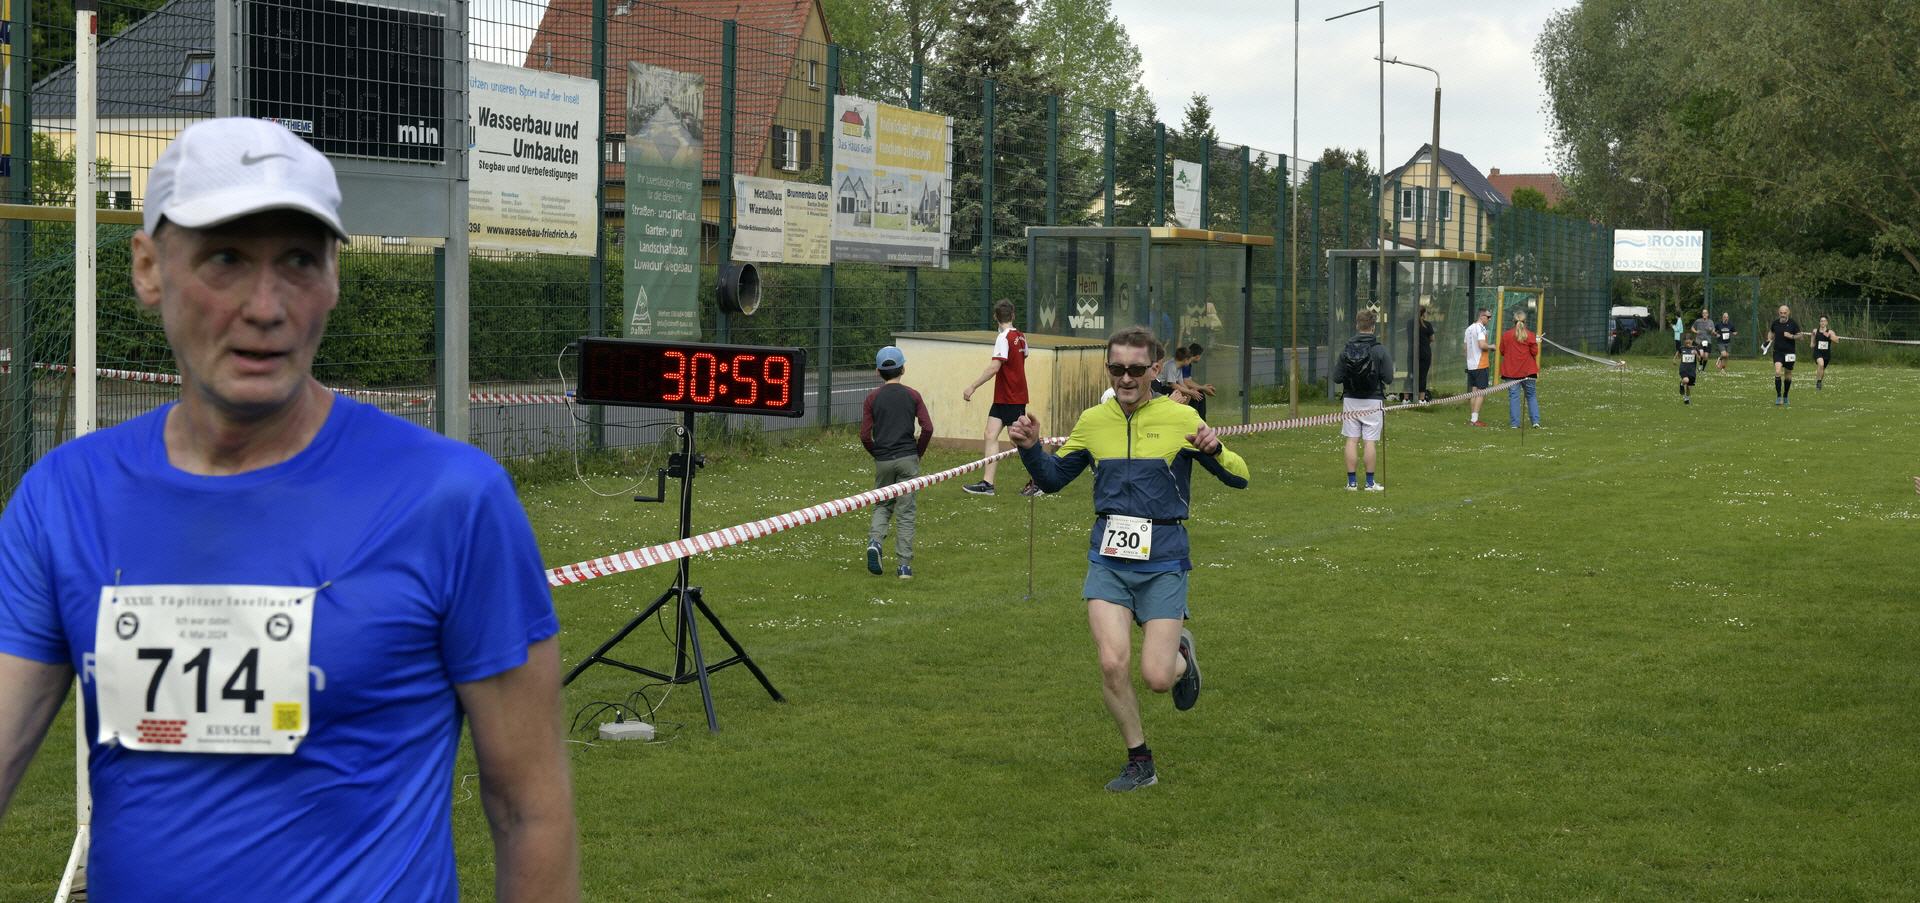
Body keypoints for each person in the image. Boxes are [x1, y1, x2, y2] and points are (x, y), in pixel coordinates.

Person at [0, 119, 577, 900]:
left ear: (335, 277)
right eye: (226, 259)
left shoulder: (452, 501)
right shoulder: (64, 501)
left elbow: (529, 809)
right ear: (147, 268)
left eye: (300, 261)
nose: (266, 306)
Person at [1008, 326, 1249, 793]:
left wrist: (1216, 449)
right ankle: (1140, 761)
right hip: (1109, 560)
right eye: (1116, 368)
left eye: (1136, 369)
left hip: (1164, 560)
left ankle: (1181, 656)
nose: (1125, 378)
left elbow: (1239, 478)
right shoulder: (1093, 421)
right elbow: (1053, 479)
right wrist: (1031, 448)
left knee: (1157, 678)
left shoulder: (1180, 419)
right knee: (1111, 663)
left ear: (1155, 370)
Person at [861, 345, 934, 579]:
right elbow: (927, 428)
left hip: (883, 460)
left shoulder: (872, 398)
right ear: (903, 369)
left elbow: (865, 435)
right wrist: (917, 453)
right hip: (907, 458)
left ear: (877, 371)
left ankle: (875, 542)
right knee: (906, 511)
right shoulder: (913, 395)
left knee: (882, 505)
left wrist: (877, 453)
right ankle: (904, 566)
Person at [961, 298, 1032, 496]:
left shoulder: (1003, 337)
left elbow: (995, 367)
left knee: (1018, 440)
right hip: (1003, 397)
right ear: (1013, 315)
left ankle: (1039, 480)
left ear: (995, 317)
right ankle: (987, 484)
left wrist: (972, 386)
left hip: (1011, 396)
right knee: (990, 434)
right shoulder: (1021, 336)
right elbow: (1023, 357)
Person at [1337, 308, 1394, 491]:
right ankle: (1370, 483)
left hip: (1350, 399)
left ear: (1357, 325)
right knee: (1369, 441)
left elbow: (1337, 377)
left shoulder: (1346, 349)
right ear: (1373, 327)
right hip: (1373, 400)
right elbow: (1388, 378)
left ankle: (1352, 482)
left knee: (1352, 440)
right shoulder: (1380, 350)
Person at [1500, 309, 1543, 428]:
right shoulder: (1530, 335)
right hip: (1528, 371)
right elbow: (1535, 352)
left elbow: (1502, 351)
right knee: (1531, 396)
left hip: (1511, 372)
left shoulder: (1506, 335)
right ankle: (1535, 421)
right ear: (1525, 321)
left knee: (1514, 397)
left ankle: (1515, 423)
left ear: (1513, 321)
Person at [1463, 307, 1494, 426]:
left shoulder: (1468, 329)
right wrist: (1491, 346)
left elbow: (1465, 348)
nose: (1489, 319)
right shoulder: (1481, 328)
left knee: (1474, 392)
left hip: (1471, 365)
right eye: (1488, 317)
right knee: (1481, 393)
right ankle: (1474, 420)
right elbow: (1482, 345)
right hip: (1481, 365)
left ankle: (1473, 418)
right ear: (1481, 316)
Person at [1768, 304, 1802, 406]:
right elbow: (1771, 332)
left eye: (1785, 313)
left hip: (1790, 353)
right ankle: (1779, 397)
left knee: (1788, 373)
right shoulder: (1775, 323)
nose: (1783, 314)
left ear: (1788, 313)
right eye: (1781, 313)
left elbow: (1800, 337)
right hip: (1778, 352)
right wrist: (1769, 339)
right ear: (1778, 313)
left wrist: (1791, 336)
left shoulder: (1793, 323)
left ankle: (1785, 395)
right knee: (1778, 371)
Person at [1810, 316, 1838, 389]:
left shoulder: (1830, 332)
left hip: (1826, 354)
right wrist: (1812, 343)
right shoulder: (1815, 330)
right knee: (1821, 364)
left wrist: (1828, 335)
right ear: (1819, 322)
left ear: (1827, 322)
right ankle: (1819, 382)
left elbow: (1837, 340)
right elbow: (1812, 337)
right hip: (1817, 352)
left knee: (1822, 369)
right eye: (1821, 321)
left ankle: (1819, 381)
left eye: (1824, 321)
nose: (1823, 322)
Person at [1415, 304, 1435, 402]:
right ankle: (1421, 399)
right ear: (1424, 314)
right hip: (1425, 353)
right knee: (1423, 375)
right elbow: (1432, 339)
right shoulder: (1427, 325)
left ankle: (1406, 398)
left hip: (1413, 353)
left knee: (1411, 374)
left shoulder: (1410, 323)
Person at [1691, 309, 1716, 378]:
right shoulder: (1698, 321)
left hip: (1708, 341)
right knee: (1701, 354)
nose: (1704, 314)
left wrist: (1711, 330)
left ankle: (1702, 369)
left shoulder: (1711, 322)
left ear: (1708, 314)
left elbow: (1713, 331)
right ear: (1702, 314)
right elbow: (1692, 328)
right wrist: (1696, 332)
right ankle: (1700, 364)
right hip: (1699, 341)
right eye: (1703, 313)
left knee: (1706, 357)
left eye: (1706, 313)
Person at [1677, 332, 1701, 404]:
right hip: (1683, 369)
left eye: (1689, 342)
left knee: (1689, 387)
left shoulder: (1695, 349)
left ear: (1692, 341)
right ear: (1684, 341)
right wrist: (1675, 360)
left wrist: (1696, 354)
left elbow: (1699, 359)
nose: (1688, 344)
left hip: (1692, 371)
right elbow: (1678, 354)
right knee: (1686, 380)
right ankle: (1681, 384)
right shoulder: (1682, 348)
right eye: (1686, 342)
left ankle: (1686, 399)